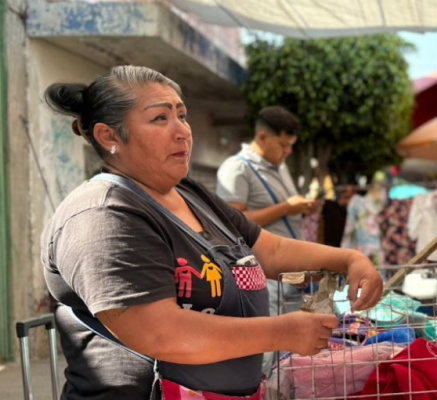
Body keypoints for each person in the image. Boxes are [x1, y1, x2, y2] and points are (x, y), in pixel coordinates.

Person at [41, 66, 383, 399]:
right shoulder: (103, 216)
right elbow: (160, 333)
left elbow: (270, 251)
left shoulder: (190, 193)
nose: (182, 131)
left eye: (182, 115)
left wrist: (349, 259)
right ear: (109, 136)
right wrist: (282, 332)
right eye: (160, 118)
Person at [216, 106, 318, 317]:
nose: (288, 151)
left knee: (294, 345)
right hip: (263, 278)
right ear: (263, 137)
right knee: (272, 344)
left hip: (291, 276)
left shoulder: (280, 167)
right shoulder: (237, 168)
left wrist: (302, 208)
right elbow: (231, 223)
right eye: (283, 145)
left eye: (291, 145)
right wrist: (286, 208)